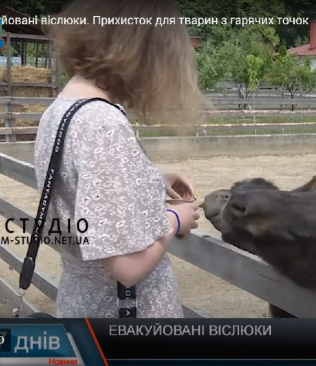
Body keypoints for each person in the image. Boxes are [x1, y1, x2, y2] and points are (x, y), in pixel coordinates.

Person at [33, 0, 207, 318]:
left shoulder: (61, 109)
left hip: (81, 305)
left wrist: (152, 179)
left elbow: (85, 188)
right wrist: (175, 219)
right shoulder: (104, 123)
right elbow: (126, 265)